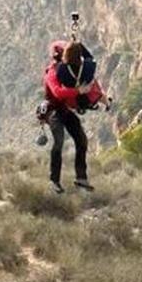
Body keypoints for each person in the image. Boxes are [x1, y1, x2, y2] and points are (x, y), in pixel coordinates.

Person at [39, 41, 95, 194]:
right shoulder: (51, 72)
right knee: (59, 141)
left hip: (64, 110)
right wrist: (79, 91)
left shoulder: (67, 69)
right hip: (53, 111)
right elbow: (57, 92)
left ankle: (81, 178)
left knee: (81, 140)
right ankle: (54, 180)